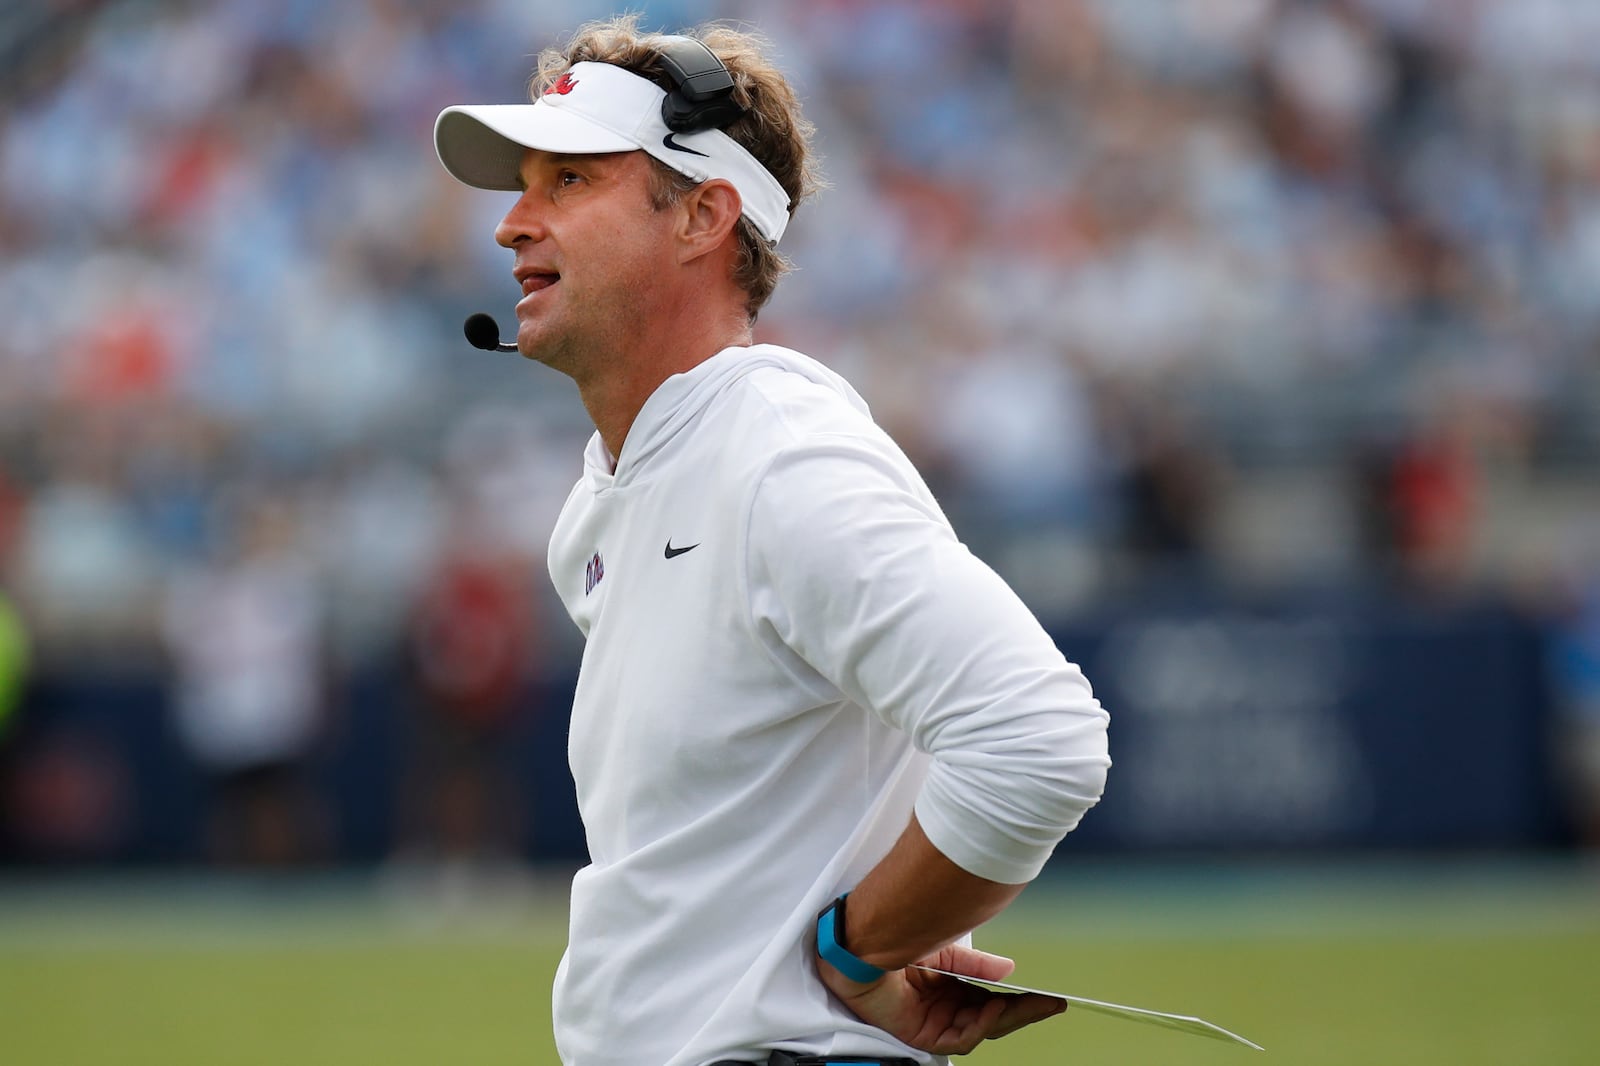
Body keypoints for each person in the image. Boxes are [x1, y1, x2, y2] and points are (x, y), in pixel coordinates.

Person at [432, 15, 1110, 1066]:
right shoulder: (610, 499)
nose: (511, 224)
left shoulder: (780, 460)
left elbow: (1037, 737)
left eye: (568, 181)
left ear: (704, 216)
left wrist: (855, 947)